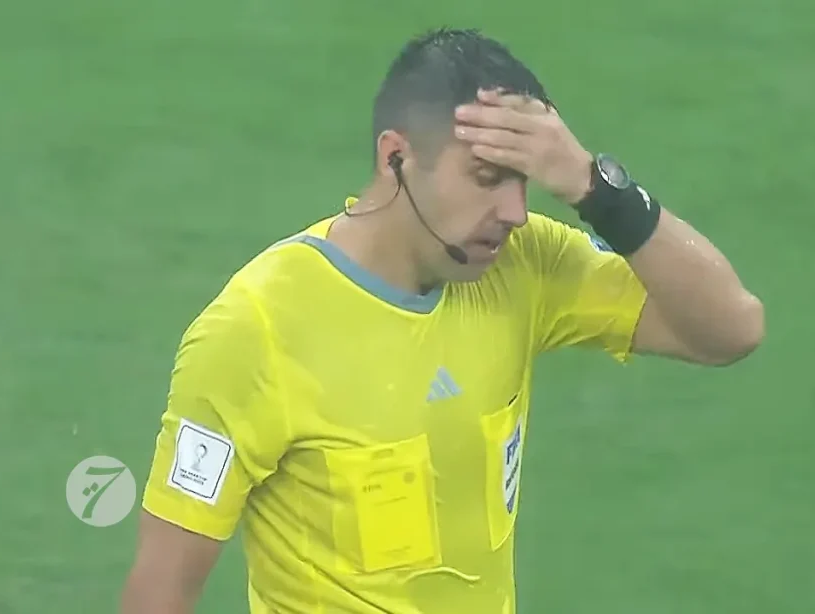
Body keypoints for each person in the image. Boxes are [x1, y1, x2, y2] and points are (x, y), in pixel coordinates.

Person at [120, 27, 765, 614]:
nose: (514, 211)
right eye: (486, 176)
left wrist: (595, 188)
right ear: (395, 158)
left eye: (524, 181)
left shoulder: (524, 264)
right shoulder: (257, 328)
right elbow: (161, 591)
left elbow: (730, 330)